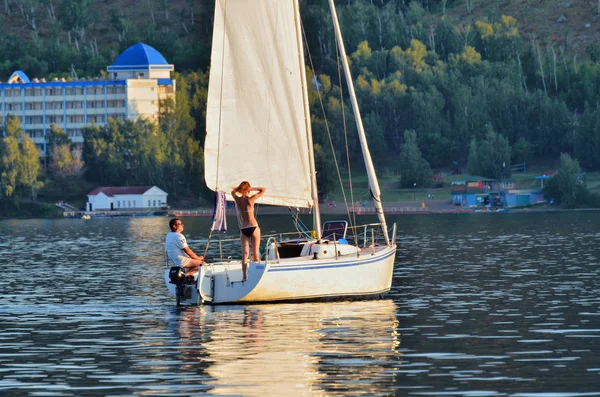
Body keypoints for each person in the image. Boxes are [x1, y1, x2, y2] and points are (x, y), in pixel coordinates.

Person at [231, 181, 266, 281]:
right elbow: (263, 189)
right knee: (255, 254)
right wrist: (252, 188)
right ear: (247, 189)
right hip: (253, 227)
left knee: (245, 254)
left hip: (244, 229)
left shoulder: (237, 199)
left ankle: (244, 277)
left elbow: (233, 192)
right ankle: (256, 276)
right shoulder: (251, 199)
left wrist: (238, 189)